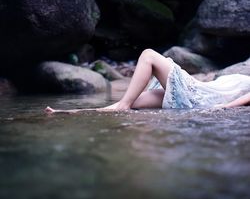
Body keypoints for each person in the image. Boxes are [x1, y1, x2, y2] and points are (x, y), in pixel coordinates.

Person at [45, 49, 250, 114]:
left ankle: (122, 106)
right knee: (131, 102)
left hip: (202, 95)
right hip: (201, 93)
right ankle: (68, 112)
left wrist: (225, 107)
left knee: (148, 55)